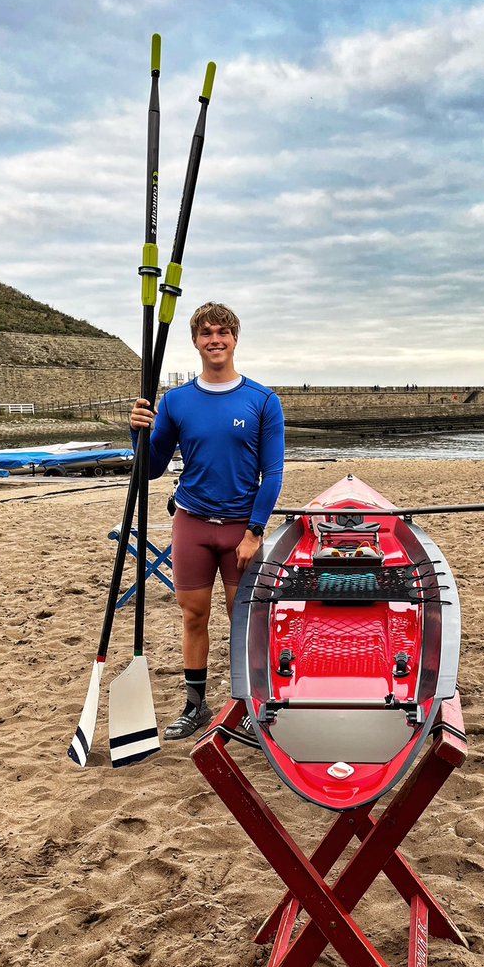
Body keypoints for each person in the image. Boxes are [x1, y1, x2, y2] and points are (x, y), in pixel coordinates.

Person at [128, 302, 285, 740]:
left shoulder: (263, 401)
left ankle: (249, 707)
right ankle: (195, 707)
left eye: (223, 332)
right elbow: (152, 468)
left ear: (235, 338)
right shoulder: (176, 401)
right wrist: (138, 431)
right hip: (192, 522)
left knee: (243, 620)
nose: (215, 339)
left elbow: (272, 474)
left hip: (240, 528)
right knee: (193, 616)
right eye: (206, 333)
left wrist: (255, 532)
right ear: (196, 341)